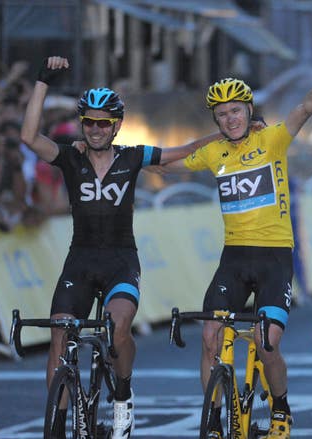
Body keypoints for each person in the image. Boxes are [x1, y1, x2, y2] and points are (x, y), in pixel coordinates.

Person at [20, 56, 222, 439]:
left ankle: (124, 395)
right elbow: (29, 138)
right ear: (83, 124)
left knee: (117, 331)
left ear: (116, 126)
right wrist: (42, 82)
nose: (96, 129)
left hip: (121, 261)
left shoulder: (132, 156)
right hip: (79, 260)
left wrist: (228, 137)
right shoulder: (70, 156)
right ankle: (57, 426)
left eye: (103, 123)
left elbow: (183, 150)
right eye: (90, 122)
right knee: (60, 337)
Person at [172, 48, 312, 438]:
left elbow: (305, 108)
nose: (230, 119)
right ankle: (214, 420)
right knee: (209, 337)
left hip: (274, 257)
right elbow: (162, 161)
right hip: (233, 258)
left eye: (236, 110)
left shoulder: (271, 140)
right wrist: (110, 154)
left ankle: (281, 407)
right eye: (222, 115)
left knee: (267, 345)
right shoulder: (213, 151)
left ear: (250, 110)